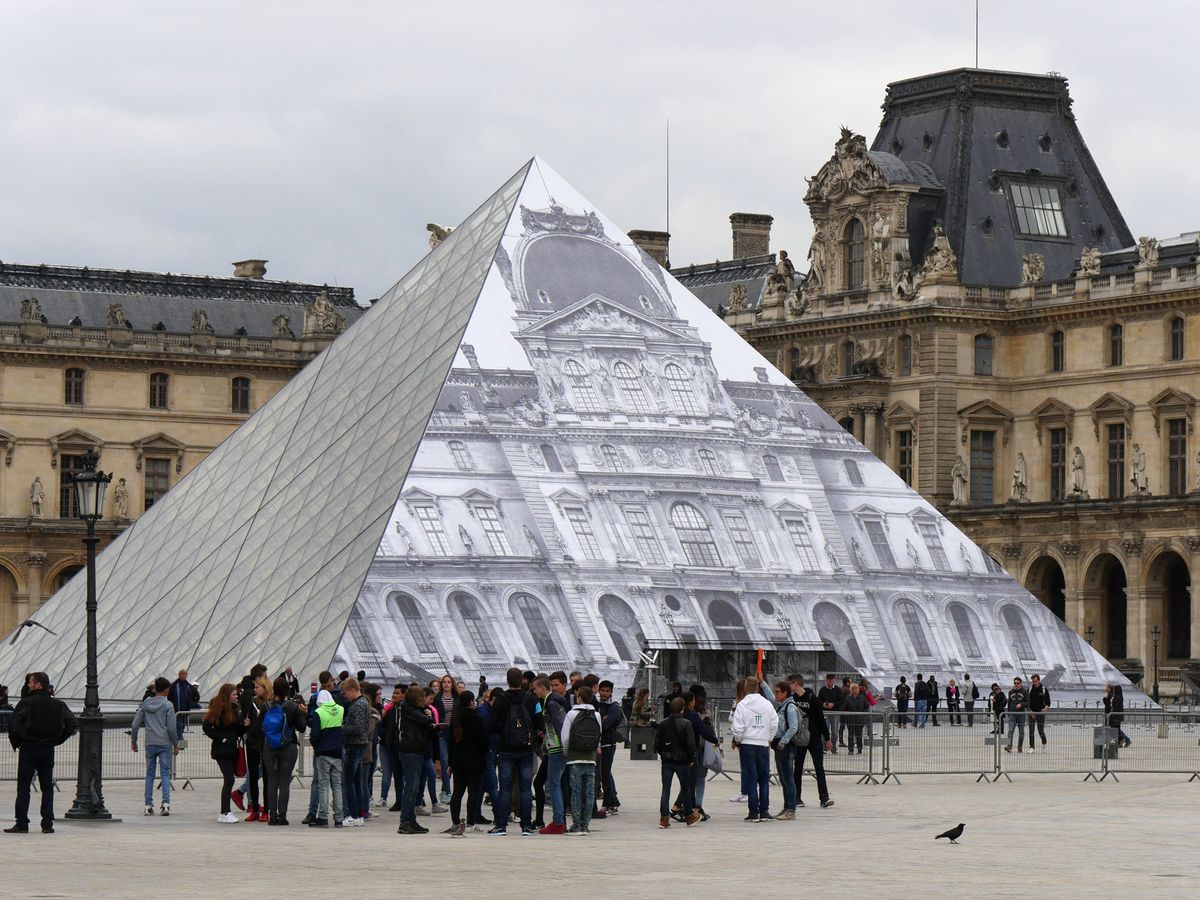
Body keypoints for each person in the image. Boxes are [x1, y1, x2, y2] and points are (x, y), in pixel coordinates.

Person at [6, 672, 76, 834]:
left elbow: (14, 725)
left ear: (38, 685)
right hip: (48, 748)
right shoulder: (58, 704)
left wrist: (21, 739)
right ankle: (47, 824)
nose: (28, 685)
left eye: (30, 682)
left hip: (29, 748)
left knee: (23, 786)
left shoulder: (26, 703)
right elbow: (72, 724)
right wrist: (58, 739)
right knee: (47, 787)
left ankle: (22, 823)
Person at [487, 667, 539, 836]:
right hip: (526, 748)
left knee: (505, 788)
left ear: (507, 680)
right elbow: (540, 721)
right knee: (525, 788)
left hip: (506, 749)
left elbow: (492, 725)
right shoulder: (532, 699)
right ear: (522, 680)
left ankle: (501, 825)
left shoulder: (500, 700)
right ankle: (526, 825)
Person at [261, 674, 307, 825]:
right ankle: (282, 816)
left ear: (274, 689)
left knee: (272, 781)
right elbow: (301, 727)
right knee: (284, 782)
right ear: (288, 691)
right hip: (288, 746)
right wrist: (302, 712)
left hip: (269, 747)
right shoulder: (292, 707)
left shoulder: (266, 706)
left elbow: (260, 727)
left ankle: (271, 815)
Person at [130, 675, 179, 816]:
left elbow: (134, 725)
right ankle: (165, 804)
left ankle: (147, 805)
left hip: (150, 743)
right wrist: (176, 744)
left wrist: (134, 742)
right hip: (164, 743)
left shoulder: (145, 704)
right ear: (166, 690)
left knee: (149, 774)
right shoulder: (168, 705)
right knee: (165, 774)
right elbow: (171, 728)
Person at [731, 675, 775, 822]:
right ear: (758, 688)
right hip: (763, 744)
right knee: (763, 779)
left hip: (748, 744)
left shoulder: (742, 705)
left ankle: (753, 811)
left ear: (745, 688)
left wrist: (738, 740)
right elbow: (775, 723)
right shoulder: (767, 704)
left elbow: (737, 728)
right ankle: (764, 811)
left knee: (751, 778)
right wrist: (769, 737)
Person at [560, 684, 603, 835]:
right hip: (590, 757)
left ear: (579, 697)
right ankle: (586, 825)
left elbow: (565, 737)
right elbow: (599, 735)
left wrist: (566, 752)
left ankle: (577, 825)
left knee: (576, 792)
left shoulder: (572, 714)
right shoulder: (596, 715)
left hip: (574, 757)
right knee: (589, 792)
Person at [444, 690, 488, 836]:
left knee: (457, 792)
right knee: (473, 792)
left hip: (458, 761)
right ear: (470, 702)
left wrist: (450, 762)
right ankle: (471, 822)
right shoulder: (477, 719)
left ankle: (455, 822)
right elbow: (483, 742)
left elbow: (450, 742)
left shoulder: (455, 719)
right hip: (475, 761)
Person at [788, 674, 834, 809]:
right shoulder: (792, 699)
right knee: (798, 768)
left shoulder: (811, 697)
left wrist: (827, 738)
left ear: (795, 683)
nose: (789, 685)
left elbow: (821, 718)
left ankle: (824, 797)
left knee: (819, 767)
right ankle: (797, 797)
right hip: (800, 739)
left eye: (790, 683)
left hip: (814, 739)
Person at [201, 683, 244, 823]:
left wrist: (245, 726)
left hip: (231, 749)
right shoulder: (219, 710)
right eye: (234, 694)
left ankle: (225, 812)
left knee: (229, 779)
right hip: (222, 749)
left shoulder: (235, 709)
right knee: (229, 779)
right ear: (227, 695)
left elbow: (236, 731)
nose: (237, 696)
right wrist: (222, 738)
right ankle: (225, 812)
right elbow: (207, 727)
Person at [655, 697, 700, 828]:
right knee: (685, 788)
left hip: (667, 761)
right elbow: (691, 744)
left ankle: (664, 819)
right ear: (683, 709)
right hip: (682, 761)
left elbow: (657, 744)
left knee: (666, 790)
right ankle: (689, 816)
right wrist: (692, 759)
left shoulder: (663, 723)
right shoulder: (686, 723)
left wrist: (663, 755)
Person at [532, 674, 569, 834]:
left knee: (554, 784)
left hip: (557, 749)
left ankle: (558, 821)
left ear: (542, 688)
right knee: (555, 783)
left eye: (535, 689)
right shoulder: (552, 701)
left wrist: (563, 746)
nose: (534, 692)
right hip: (556, 747)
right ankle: (559, 820)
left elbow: (560, 725)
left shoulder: (551, 703)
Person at [396, 686, 434, 835]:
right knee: (411, 788)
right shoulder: (409, 709)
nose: (424, 701)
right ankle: (405, 821)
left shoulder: (410, 709)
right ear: (415, 700)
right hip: (410, 751)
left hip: (415, 750)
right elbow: (424, 721)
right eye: (421, 699)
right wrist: (428, 716)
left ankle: (410, 820)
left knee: (414, 787)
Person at [307, 689, 344, 828]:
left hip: (323, 753)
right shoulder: (340, 710)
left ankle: (323, 817)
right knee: (337, 785)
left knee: (323, 785)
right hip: (337, 753)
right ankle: (339, 818)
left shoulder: (319, 712)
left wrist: (316, 746)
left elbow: (315, 735)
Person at [240, 675, 272, 823]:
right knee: (252, 776)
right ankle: (253, 809)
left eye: (257, 687)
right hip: (252, 742)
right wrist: (245, 723)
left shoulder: (270, 704)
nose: (255, 689)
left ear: (265, 689)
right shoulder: (252, 702)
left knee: (266, 777)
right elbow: (247, 720)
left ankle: (267, 810)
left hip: (265, 743)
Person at [340, 677, 369, 826]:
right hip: (361, 744)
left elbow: (356, 727)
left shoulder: (357, 705)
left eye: (346, 693)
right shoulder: (364, 702)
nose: (345, 696)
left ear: (352, 690)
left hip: (354, 744)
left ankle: (353, 814)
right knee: (357, 781)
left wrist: (340, 728)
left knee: (349, 780)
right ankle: (359, 813)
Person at [769, 681, 800, 819]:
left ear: (785, 693)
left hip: (786, 747)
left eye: (778, 692)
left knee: (788, 778)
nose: (775, 694)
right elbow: (770, 698)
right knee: (783, 779)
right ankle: (786, 806)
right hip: (779, 746)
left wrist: (782, 742)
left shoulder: (790, 707)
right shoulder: (781, 706)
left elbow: (793, 727)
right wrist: (763, 683)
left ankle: (791, 809)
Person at [595, 680, 625, 816]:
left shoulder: (614, 707)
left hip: (608, 744)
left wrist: (600, 721)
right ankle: (613, 802)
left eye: (607, 691)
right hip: (598, 744)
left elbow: (605, 724)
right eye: (603, 690)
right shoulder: (596, 704)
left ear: (611, 692)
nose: (605, 693)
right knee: (604, 774)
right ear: (599, 690)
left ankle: (607, 803)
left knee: (605, 775)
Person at [431, 674, 458, 804]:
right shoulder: (437, 699)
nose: (446, 684)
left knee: (452, 763)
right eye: (444, 682)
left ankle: (443, 790)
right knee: (445, 761)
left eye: (449, 682)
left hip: (454, 733)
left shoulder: (456, 698)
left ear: (452, 684)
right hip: (442, 732)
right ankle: (447, 792)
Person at [377, 684, 404, 810]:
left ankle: (415, 801)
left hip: (404, 746)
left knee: (407, 776)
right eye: (394, 693)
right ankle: (399, 801)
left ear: (404, 694)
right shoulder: (392, 709)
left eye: (397, 693)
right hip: (393, 746)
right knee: (397, 775)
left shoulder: (407, 709)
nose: (394, 696)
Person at [168, 669, 199, 743]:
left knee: (182, 726)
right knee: (178, 726)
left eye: (185, 674)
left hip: (185, 710)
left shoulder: (188, 685)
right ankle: (180, 742)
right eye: (182, 674)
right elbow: (169, 697)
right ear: (179, 675)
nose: (184, 675)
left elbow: (196, 695)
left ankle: (178, 740)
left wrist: (192, 703)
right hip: (177, 710)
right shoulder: (174, 685)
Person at [816, 674, 844, 753]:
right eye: (828, 680)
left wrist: (834, 704)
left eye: (831, 680)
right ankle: (824, 748)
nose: (830, 681)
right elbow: (818, 701)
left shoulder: (838, 690)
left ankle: (833, 747)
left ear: (834, 680)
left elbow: (841, 701)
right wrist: (824, 704)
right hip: (825, 712)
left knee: (834, 731)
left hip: (835, 713)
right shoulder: (822, 690)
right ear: (826, 680)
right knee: (825, 730)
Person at [841, 682, 868, 754]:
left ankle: (859, 749)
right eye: (853, 688)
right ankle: (851, 749)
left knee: (859, 734)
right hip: (850, 719)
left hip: (859, 719)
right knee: (851, 735)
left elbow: (866, 707)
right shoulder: (848, 699)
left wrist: (863, 714)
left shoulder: (862, 698)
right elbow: (844, 708)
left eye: (856, 688)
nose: (855, 690)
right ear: (851, 690)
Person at [1004, 677, 1029, 753]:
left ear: (1020, 683)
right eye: (1015, 683)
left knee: (1021, 731)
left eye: (1018, 683)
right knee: (1010, 730)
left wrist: (1021, 704)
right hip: (1012, 714)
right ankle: (1009, 746)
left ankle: (1020, 746)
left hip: (1021, 714)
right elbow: (1009, 703)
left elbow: (1028, 702)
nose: (1016, 684)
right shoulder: (1010, 692)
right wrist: (1008, 712)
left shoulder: (1024, 692)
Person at [1027, 674, 1050, 751]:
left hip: (1040, 713)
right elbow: (1027, 703)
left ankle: (1044, 744)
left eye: (1035, 681)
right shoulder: (1029, 690)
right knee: (1031, 731)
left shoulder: (1044, 690)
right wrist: (1030, 712)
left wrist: (1045, 708)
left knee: (1040, 730)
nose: (1034, 683)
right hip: (1032, 713)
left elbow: (1048, 702)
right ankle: (1031, 747)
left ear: (1039, 681)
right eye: (1033, 681)